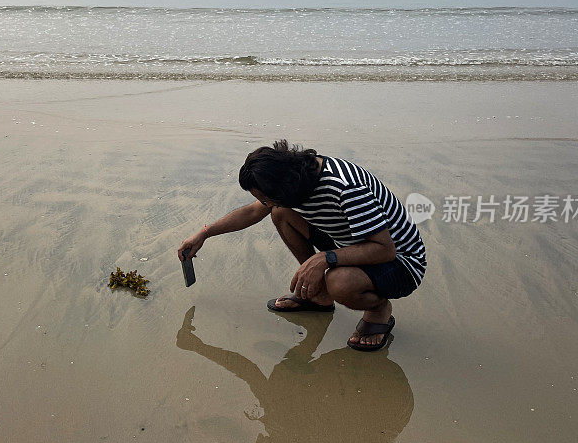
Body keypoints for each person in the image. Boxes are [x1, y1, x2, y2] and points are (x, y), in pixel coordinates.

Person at [177, 140, 426, 351]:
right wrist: (204, 234)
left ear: (286, 186)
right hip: (351, 241)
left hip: (400, 263)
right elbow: (252, 212)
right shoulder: (295, 176)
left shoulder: (346, 188)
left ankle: (379, 309)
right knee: (280, 213)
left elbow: (385, 249)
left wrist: (322, 259)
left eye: (264, 197)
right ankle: (318, 296)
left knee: (339, 281)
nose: (261, 203)